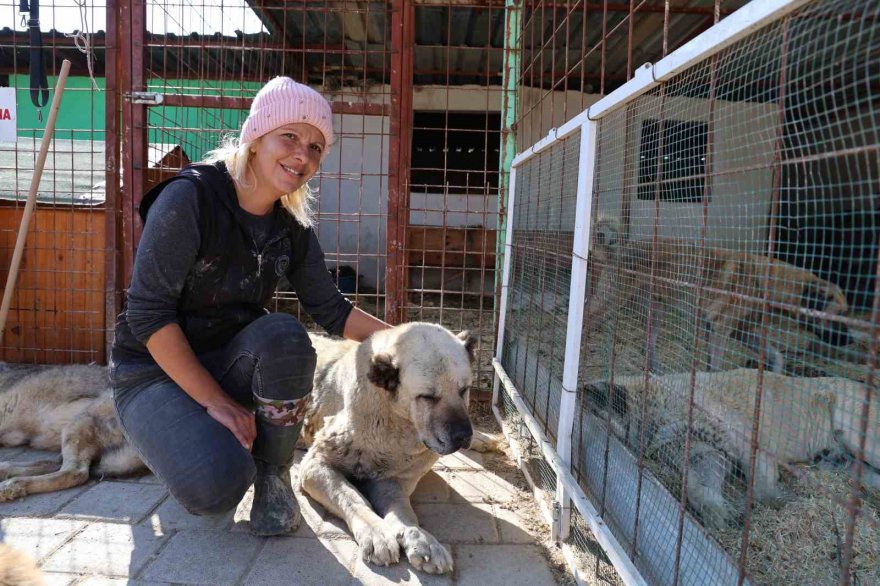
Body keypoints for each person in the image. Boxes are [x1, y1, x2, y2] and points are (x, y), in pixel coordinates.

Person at [109, 77, 390, 536]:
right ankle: (181, 433)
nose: (304, 154)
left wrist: (411, 341)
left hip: (229, 362)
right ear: (256, 138)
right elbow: (148, 315)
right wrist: (215, 402)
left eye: (317, 147)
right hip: (150, 372)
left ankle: (274, 474)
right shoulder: (191, 198)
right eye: (291, 137)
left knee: (284, 336)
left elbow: (332, 311)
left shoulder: (290, 226)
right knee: (216, 489)